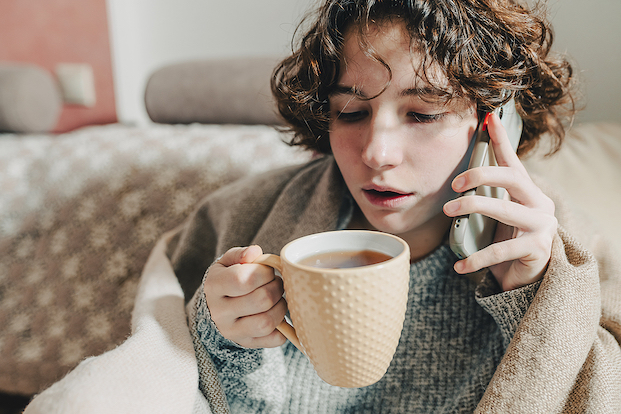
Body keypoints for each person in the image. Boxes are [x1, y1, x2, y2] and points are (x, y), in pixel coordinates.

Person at [168, 0, 621, 412]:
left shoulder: (560, 243)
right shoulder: (239, 216)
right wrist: (222, 341)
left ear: (496, 123)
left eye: (422, 114)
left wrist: (536, 299)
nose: (376, 153)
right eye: (350, 112)